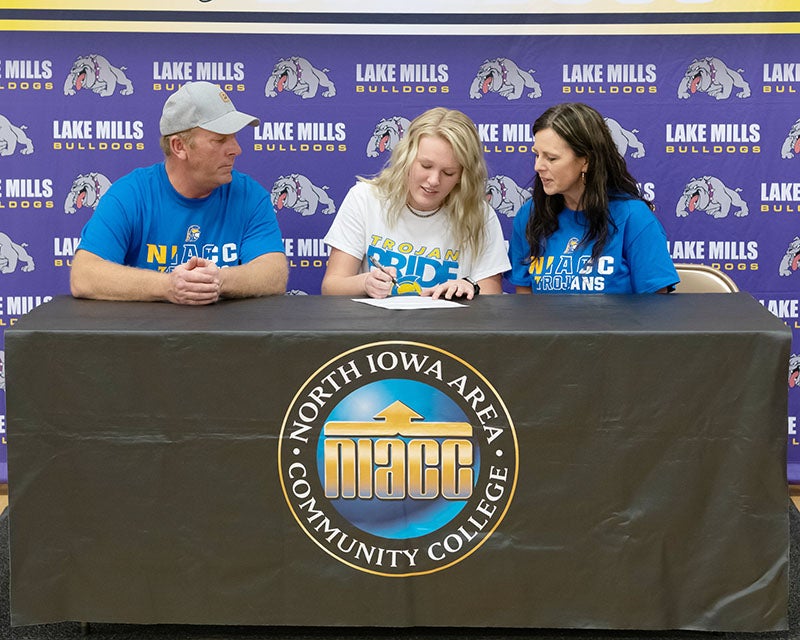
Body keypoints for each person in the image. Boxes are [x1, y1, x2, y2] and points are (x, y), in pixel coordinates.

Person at [70, 81, 288, 305]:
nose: (236, 149)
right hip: (147, 335)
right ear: (179, 147)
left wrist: (219, 280)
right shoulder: (131, 195)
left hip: (227, 336)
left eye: (234, 138)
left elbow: (274, 273)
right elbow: (84, 275)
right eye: (220, 140)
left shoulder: (249, 196)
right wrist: (168, 286)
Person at [321, 107, 510, 300]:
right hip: (376, 328)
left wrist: (469, 286)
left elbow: (492, 297)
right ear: (406, 158)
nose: (434, 180)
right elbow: (331, 286)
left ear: (463, 175)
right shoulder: (365, 198)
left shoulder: (480, 214)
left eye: (448, 173)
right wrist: (365, 282)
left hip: (450, 328)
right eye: (426, 166)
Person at [507, 102, 678, 294]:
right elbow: (525, 301)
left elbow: (656, 306)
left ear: (586, 160)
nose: (538, 166)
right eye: (537, 155)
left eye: (551, 158)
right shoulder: (529, 214)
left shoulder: (634, 217)